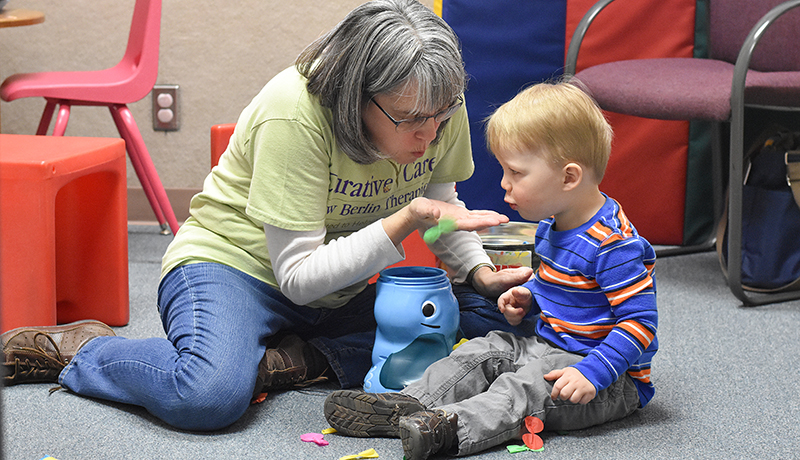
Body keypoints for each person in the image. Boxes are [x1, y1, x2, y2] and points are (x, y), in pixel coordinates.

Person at [1, 0, 536, 431]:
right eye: (413, 121)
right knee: (207, 397)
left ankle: (281, 360)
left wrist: (482, 275)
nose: (430, 135)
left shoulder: (435, 101)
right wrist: (401, 222)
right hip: (235, 269)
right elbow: (299, 279)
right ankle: (86, 351)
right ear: (357, 98)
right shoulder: (295, 111)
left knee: (504, 316)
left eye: (441, 119)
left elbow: (441, 215)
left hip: (338, 286)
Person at [324, 80, 659, 460]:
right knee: (483, 350)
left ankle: (449, 427)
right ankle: (407, 403)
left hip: (606, 377)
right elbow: (570, 291)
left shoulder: (614, 245)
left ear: (569, 177)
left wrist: (594, 373)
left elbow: (640, 325)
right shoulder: (553, 225)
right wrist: (530, 298)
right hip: (549, 344)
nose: (503, 183)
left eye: (516, 172)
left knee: (523, 389)